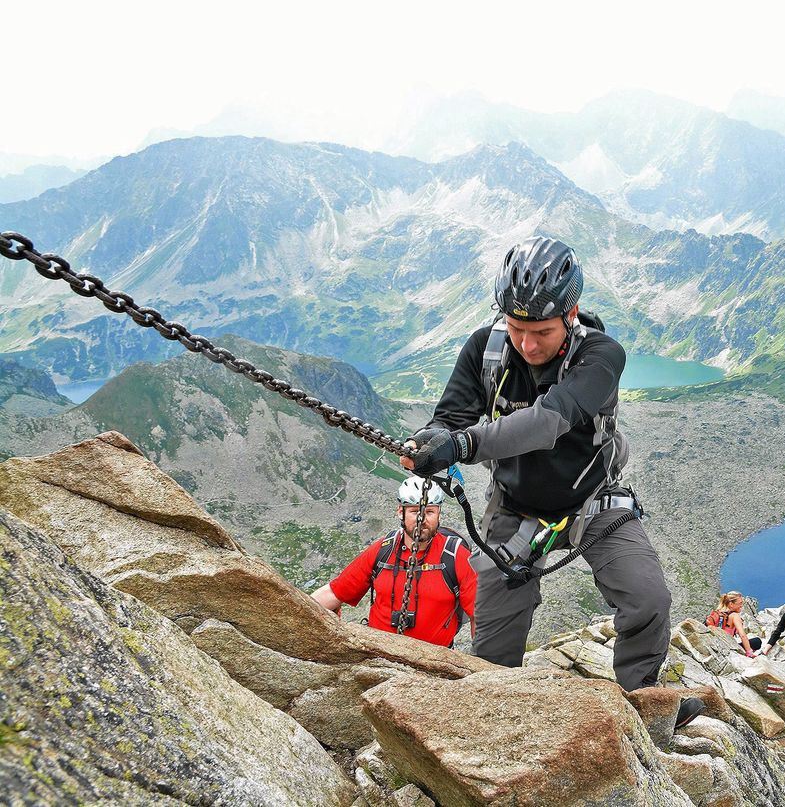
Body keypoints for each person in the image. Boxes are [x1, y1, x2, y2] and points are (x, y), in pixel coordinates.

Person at [398, 237, 700, 725]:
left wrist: (461, 447)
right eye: (516, 329)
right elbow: (450, 417)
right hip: (516, 512)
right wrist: (429, 441)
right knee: (492, 655)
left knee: (647, 600)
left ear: (572, 312)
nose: (528, 344)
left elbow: (549, 420)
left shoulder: (600, 355)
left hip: (593, 505)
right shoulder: (485, 349)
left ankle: (642, 704)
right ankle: (499, 727)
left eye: (541, 331)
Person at [312, 476, 476, 647]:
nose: (422, 519)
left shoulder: (455, 556)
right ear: (401, 512)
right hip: (378, 655)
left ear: (438, 513)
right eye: (414, 511)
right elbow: (335, 592)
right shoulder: (383, 550)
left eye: (429, 512)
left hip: (436, 662)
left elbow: (478, 616)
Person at [706, 592, 760, 657]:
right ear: (731, 604)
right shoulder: (734, 616)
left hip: (717, 646)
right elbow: (742, 635)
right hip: (728, 648)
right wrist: (749, 653)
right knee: (757, 642)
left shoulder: (720, 613)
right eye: (740, 603)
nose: (741, 605)